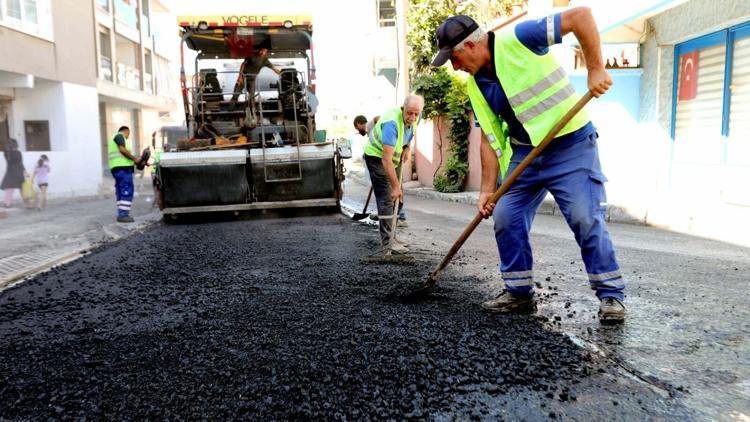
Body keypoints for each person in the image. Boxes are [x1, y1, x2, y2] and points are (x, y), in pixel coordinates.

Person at [431, 9, 625, 323]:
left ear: (470, 46)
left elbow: (582, 17)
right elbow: (489, 139)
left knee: (584, 216)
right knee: (506, 215)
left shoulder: (520, 38)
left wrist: (595, 69)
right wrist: (486, 191)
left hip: (570, 144)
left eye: (453, 58)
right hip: (526, 155)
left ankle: (611, 296)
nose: (455, 66)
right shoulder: (476, 86)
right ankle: (518, 293)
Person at [363, 95, 423, 253]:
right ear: (403, 108)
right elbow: (386, 160)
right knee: (387, 197)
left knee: (398, 198)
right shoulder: (391, 124)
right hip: (377, 158)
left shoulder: (416, 115)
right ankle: (387, 242)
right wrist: (395, 187)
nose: (413, 117)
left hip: (392, 160)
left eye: (416, 114)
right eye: (410, 113)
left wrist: (407, 147)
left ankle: (393, 236)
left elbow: (411, 132)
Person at [229, 41, 281, 110]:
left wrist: (283, 73)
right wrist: (240, 77)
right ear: (259, 50)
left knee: (252, 97)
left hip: (252, 80)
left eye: (264, 51)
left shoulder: (265, 60)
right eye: (261, 51)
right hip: (243, 77)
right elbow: (243, 64)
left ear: (266, 52)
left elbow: (274, 69)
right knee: (235, 96)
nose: (262, 53)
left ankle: (252, 112)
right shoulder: (251, 55)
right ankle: (229, 113)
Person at [108, 126, 142, 223]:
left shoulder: (113, 138)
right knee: (127, 189)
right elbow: (122, 150)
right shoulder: (120, 135)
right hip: (123, 168)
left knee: (120, 191)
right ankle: (123, 215)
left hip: (116, 168)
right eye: (128, 134)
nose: (128, 137)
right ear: (126, 131)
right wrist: (135, 159)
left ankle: (121, 213)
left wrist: (135, 161)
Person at [2, 138, 26, 208]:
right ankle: (27, 202)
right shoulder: (18, 153)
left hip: (10, 172)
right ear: (16, 145)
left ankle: (7, 203)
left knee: (9, 188)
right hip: (18, 172)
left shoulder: (6, 153)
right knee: (22, 188)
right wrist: (25, 171)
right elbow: (20, 163)